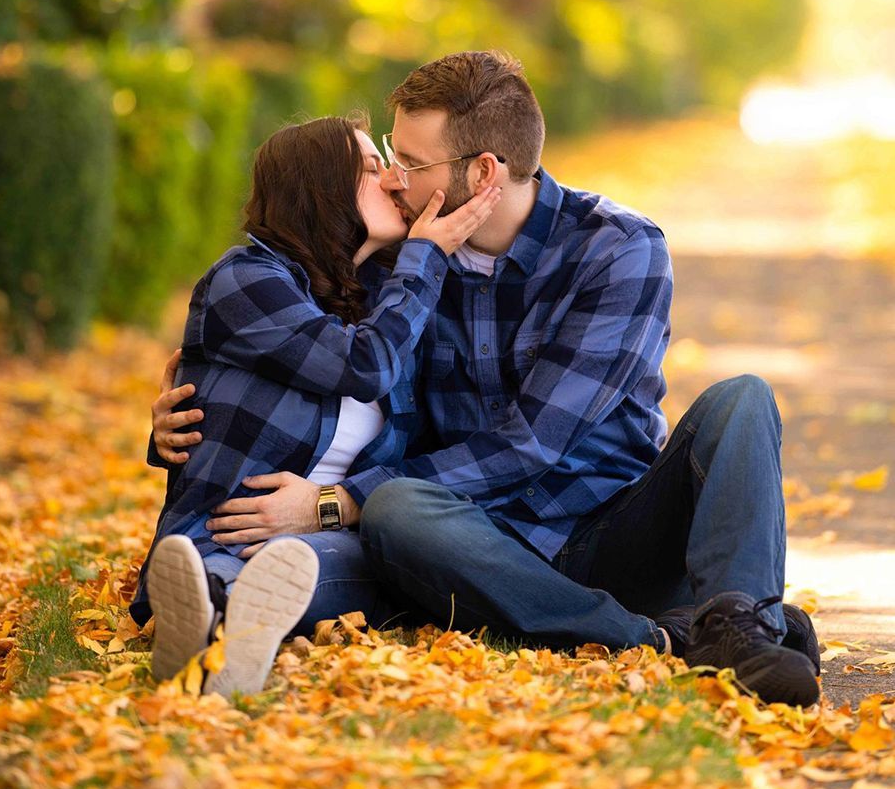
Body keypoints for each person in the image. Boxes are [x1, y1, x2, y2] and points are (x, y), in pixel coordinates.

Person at [153, 52, 819, 708]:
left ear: (483, 172)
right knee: (398, 508)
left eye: (410, 164)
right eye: (391, 156)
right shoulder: (400, 261)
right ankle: (661, 638)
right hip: (468, 544)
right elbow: (302, 342)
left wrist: (337, 502)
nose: (394, 180)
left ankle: (741, 629)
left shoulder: (616, 248)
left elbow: (533, 442)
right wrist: (185, 396)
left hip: (610, 531)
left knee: (743, 399)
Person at [132, 113, 500, 697]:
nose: (393, 183)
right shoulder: (246, 279)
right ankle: (209, 604)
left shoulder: (385, 294)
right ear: (321, 187)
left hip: (332, 536)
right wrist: (425, 259)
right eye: (373, 168)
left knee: (349, 560)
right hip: (229, 529)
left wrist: (331, 507)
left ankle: (216, 625)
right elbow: (363, 366)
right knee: (262, 562)